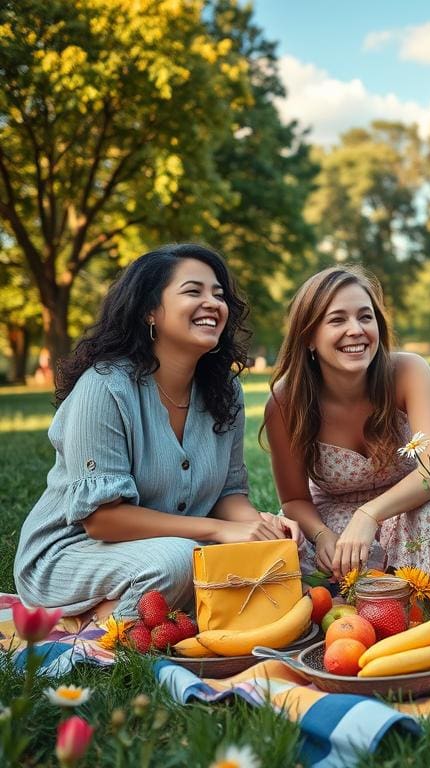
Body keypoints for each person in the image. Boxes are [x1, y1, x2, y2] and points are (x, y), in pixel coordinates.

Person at [14, 244, 299, 624]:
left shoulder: (224, 389)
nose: (212, 303)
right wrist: (220, 531)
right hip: (74, 553)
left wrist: (262, 528)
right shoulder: (106, 387)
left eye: (218, 294)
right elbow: (102, 520)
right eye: (193, 291)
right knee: (181, 562)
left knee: (287, 552)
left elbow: (229, 493)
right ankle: (94, 619)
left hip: (177, 544)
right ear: (150, 310)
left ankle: (158, 612)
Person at [262, 266, 430, 578]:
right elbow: (294, 499)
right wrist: (321, 535)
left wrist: (370, 514)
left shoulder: (408, 372)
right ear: (309, 336)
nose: (356, 330)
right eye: (337, 320)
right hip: (331, 518)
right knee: (287, 555)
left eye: (365, 317)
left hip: (410, 503)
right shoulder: (285, 403)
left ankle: (419, 605)